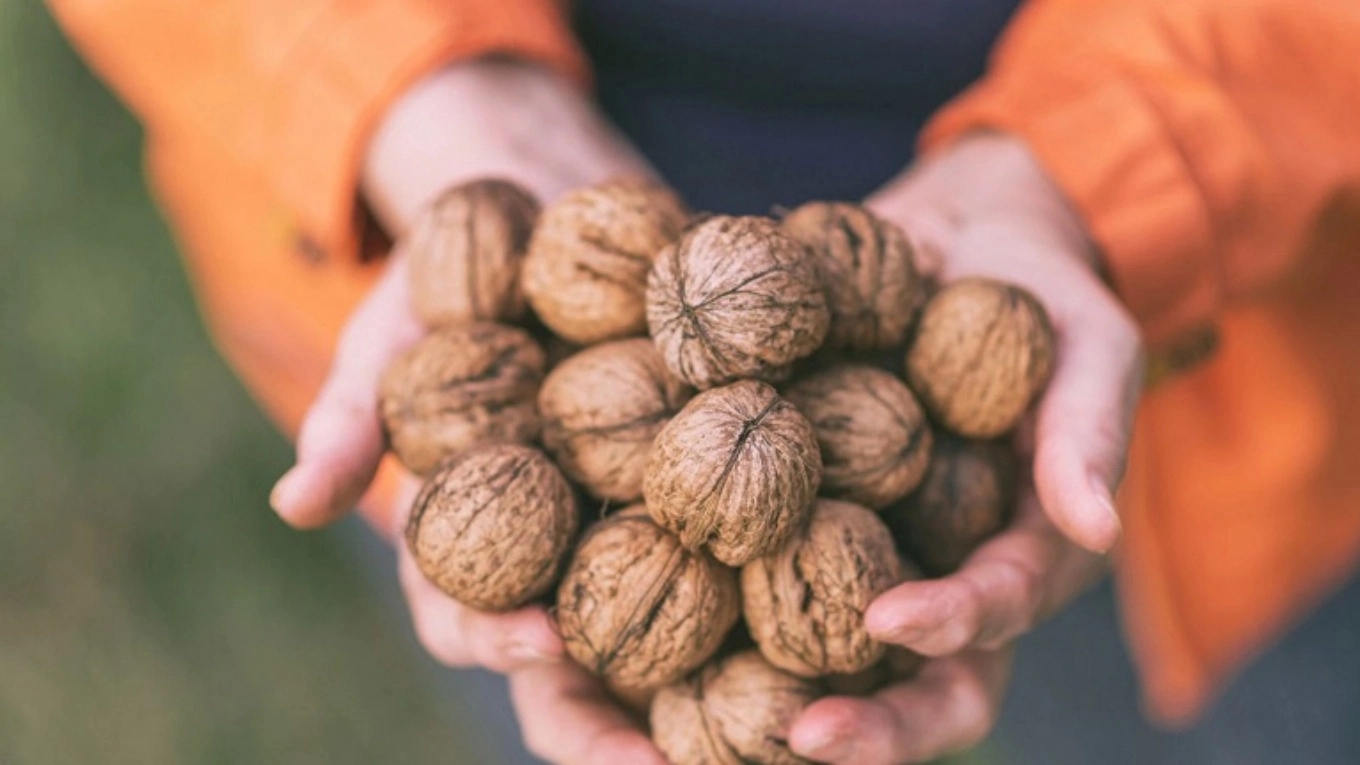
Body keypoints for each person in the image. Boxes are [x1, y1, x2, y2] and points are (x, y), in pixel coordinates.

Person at [48, 0, 1360, 762]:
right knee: (571, 684)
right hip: (441, 207)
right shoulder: (543, 410)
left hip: (1231, 394)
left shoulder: (869, 412)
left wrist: (1105, 157)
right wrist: (421, 96)